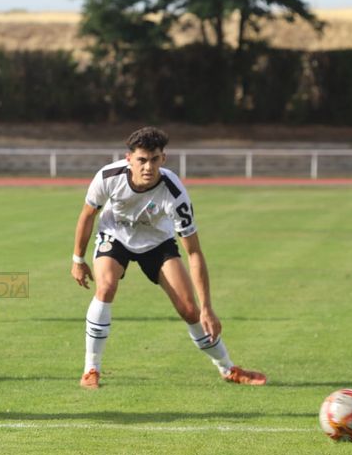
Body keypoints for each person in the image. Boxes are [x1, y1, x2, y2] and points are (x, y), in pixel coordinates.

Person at [70, 126, 266, 389]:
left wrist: (206, 306)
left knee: (189, 309)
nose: (148, 167)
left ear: (164, 158)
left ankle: (228, 368)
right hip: (116, 235)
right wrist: (78, 259)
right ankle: (90, 370)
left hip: (157, 242)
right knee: (105, 287)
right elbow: (87, 215)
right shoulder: (108, 176)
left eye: (154, 159)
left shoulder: (175, 193)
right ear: (129, 159)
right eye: (141, 160)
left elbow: (194, 251)